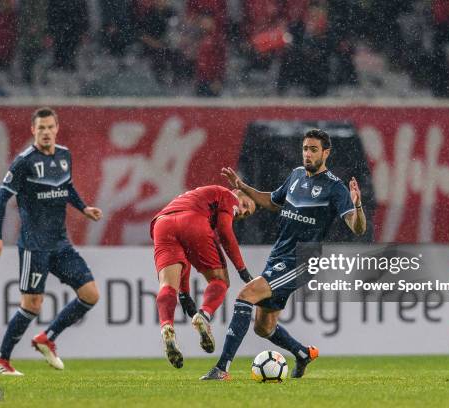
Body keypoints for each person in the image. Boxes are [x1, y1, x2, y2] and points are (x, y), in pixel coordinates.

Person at [201, 129, 366, 380]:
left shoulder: (335, 188)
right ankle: (302, 353)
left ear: (326, 153)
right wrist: (243, 187)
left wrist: (358, 205)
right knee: (263, 327)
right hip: (279, 255)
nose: (307, 154)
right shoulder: (296, 175)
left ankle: (222, 369)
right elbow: (271, 201)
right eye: (305, 149)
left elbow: (357, 227)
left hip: (301, 260)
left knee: (245, 296)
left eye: (313, 150)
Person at [0, 107, 103, 376]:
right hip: (34, 245)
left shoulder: (64, 156)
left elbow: (66, 186)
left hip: (60, 243)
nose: (46, 133)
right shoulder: (24, 161)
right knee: (32, 305)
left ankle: (47, 338)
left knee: (90, 294)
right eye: (41, 129)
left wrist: (83, 208)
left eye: (50, 127)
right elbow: (1, 198)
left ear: (57, 128)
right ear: (33, 131)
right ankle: (1, 360)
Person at [151, 185, 256, 368]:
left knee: (167, 285)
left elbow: (186, 252)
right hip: (192, 220)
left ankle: (166, 326)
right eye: (246, 204)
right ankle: (204, 316)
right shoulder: (228, 195)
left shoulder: (195, 197)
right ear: (238, 192)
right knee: (220, 281)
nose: (243, 211)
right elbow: (224, 232)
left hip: (162, 223)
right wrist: (242, 269)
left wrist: (184, 293)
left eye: (247, 213)